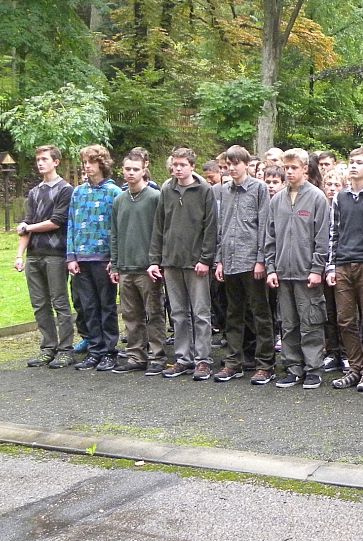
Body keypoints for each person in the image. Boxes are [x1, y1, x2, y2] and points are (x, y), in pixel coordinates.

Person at [148, 147, 217, 380]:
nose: (177, 169)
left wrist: (205, 259)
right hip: (171, 261)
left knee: (201, 313)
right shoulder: (167, 189)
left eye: (182, 165)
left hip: (196, 262)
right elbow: (159, 226)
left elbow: (211, 227)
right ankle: (183, 358)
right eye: (175, 165)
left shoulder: (204, 190)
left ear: (192, 166)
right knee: (178, 313)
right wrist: (155, 260)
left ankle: (203, 359)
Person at [264, 149, 330, 390]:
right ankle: (293, 368)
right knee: (288, 323)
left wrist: (317, 268)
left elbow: (322, 238)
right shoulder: (276, 200)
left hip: (306, 272)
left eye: (294, 167)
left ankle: (313, 369)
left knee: (311, 322)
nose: (289, 172)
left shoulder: (317, 198)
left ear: (305, 169)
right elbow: (270, 237)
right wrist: (271, 268)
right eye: (286, 168)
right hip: (283, 272)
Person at [213, 144, 275, 384]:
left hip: (251, 262)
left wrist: (261, 260)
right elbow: (222, 227)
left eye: (236, 164)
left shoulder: (259, 188)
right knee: (233, 314)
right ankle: (233, 362)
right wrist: (219, 260)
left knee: (260, 314)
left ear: (247, 165)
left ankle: (265, 364)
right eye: (229, 164)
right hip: (230, 261)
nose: (232, 168)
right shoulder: (224, 190)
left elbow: (264, 226)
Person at [16, 146, 76, 370]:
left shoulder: (65, 190)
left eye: (44, 159)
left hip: (56, 255)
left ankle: (66, 350)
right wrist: (19, 255)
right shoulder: (34, 192)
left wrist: (28, 226)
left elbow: (57, 221)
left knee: (60, 302)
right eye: (38, 160)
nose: (40, 163)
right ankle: (48, 348)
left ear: (56, 162)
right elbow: (27, 225)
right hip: (34, 255)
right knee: (39, 304)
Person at [327, 147, 363, 392]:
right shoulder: (340, 198)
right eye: (351, 162)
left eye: (359, 162)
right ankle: (355, 367)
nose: (353, 166)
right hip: (343, 265)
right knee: (345, 319)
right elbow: (334, 233)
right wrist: (331, 266)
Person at [66, 145, 122, 371]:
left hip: (104, 259)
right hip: (81, 258)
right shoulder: (78, 192)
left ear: (102, 163)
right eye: (84, 163)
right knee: (88, 306)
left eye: (91, 162)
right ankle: (94, 349)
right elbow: (71, 225)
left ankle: (109, 351)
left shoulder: (114, 192)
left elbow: (118, 229)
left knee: (107, 306)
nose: (87, 166)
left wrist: (115, 259)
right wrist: (71, 256)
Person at [109, 149, 165, 374]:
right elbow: (114, 234)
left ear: (144, 171)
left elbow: (161, 232)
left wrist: (156, 261)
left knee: (154, 313)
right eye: (127, 169)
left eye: (135, 169)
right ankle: (135, 355)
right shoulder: (119, 200)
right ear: (122, 171)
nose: (131, 173)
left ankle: (158, 356)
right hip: (125, 267)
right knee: (131, 315)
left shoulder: (154, 197)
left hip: (147, 268)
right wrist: (115, 264)